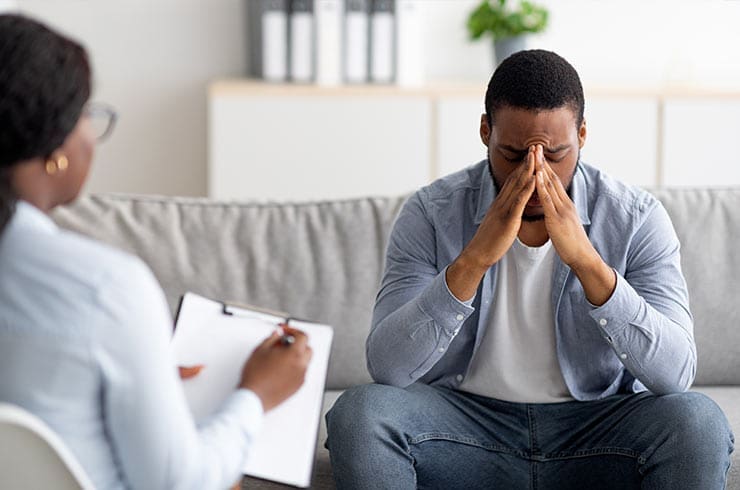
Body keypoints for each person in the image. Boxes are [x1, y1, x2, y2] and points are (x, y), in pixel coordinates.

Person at [326, 50, 734, 489]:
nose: (535, 174)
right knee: (360, 414)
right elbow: (387, 367)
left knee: (699, 422)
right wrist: (475, 258)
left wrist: (586, 261)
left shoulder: (635, 217)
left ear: (581, 135)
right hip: (462, 427)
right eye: (512, 154)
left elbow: (676, 375)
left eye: (556, 155)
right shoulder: (430, 214)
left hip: (594, 430)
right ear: (485, 132)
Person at [0, 14, 312, 490]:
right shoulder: (105, 288)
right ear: (54, 150)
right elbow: (182, 483)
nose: (92, 133)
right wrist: (256, 395)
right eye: (87, 114)